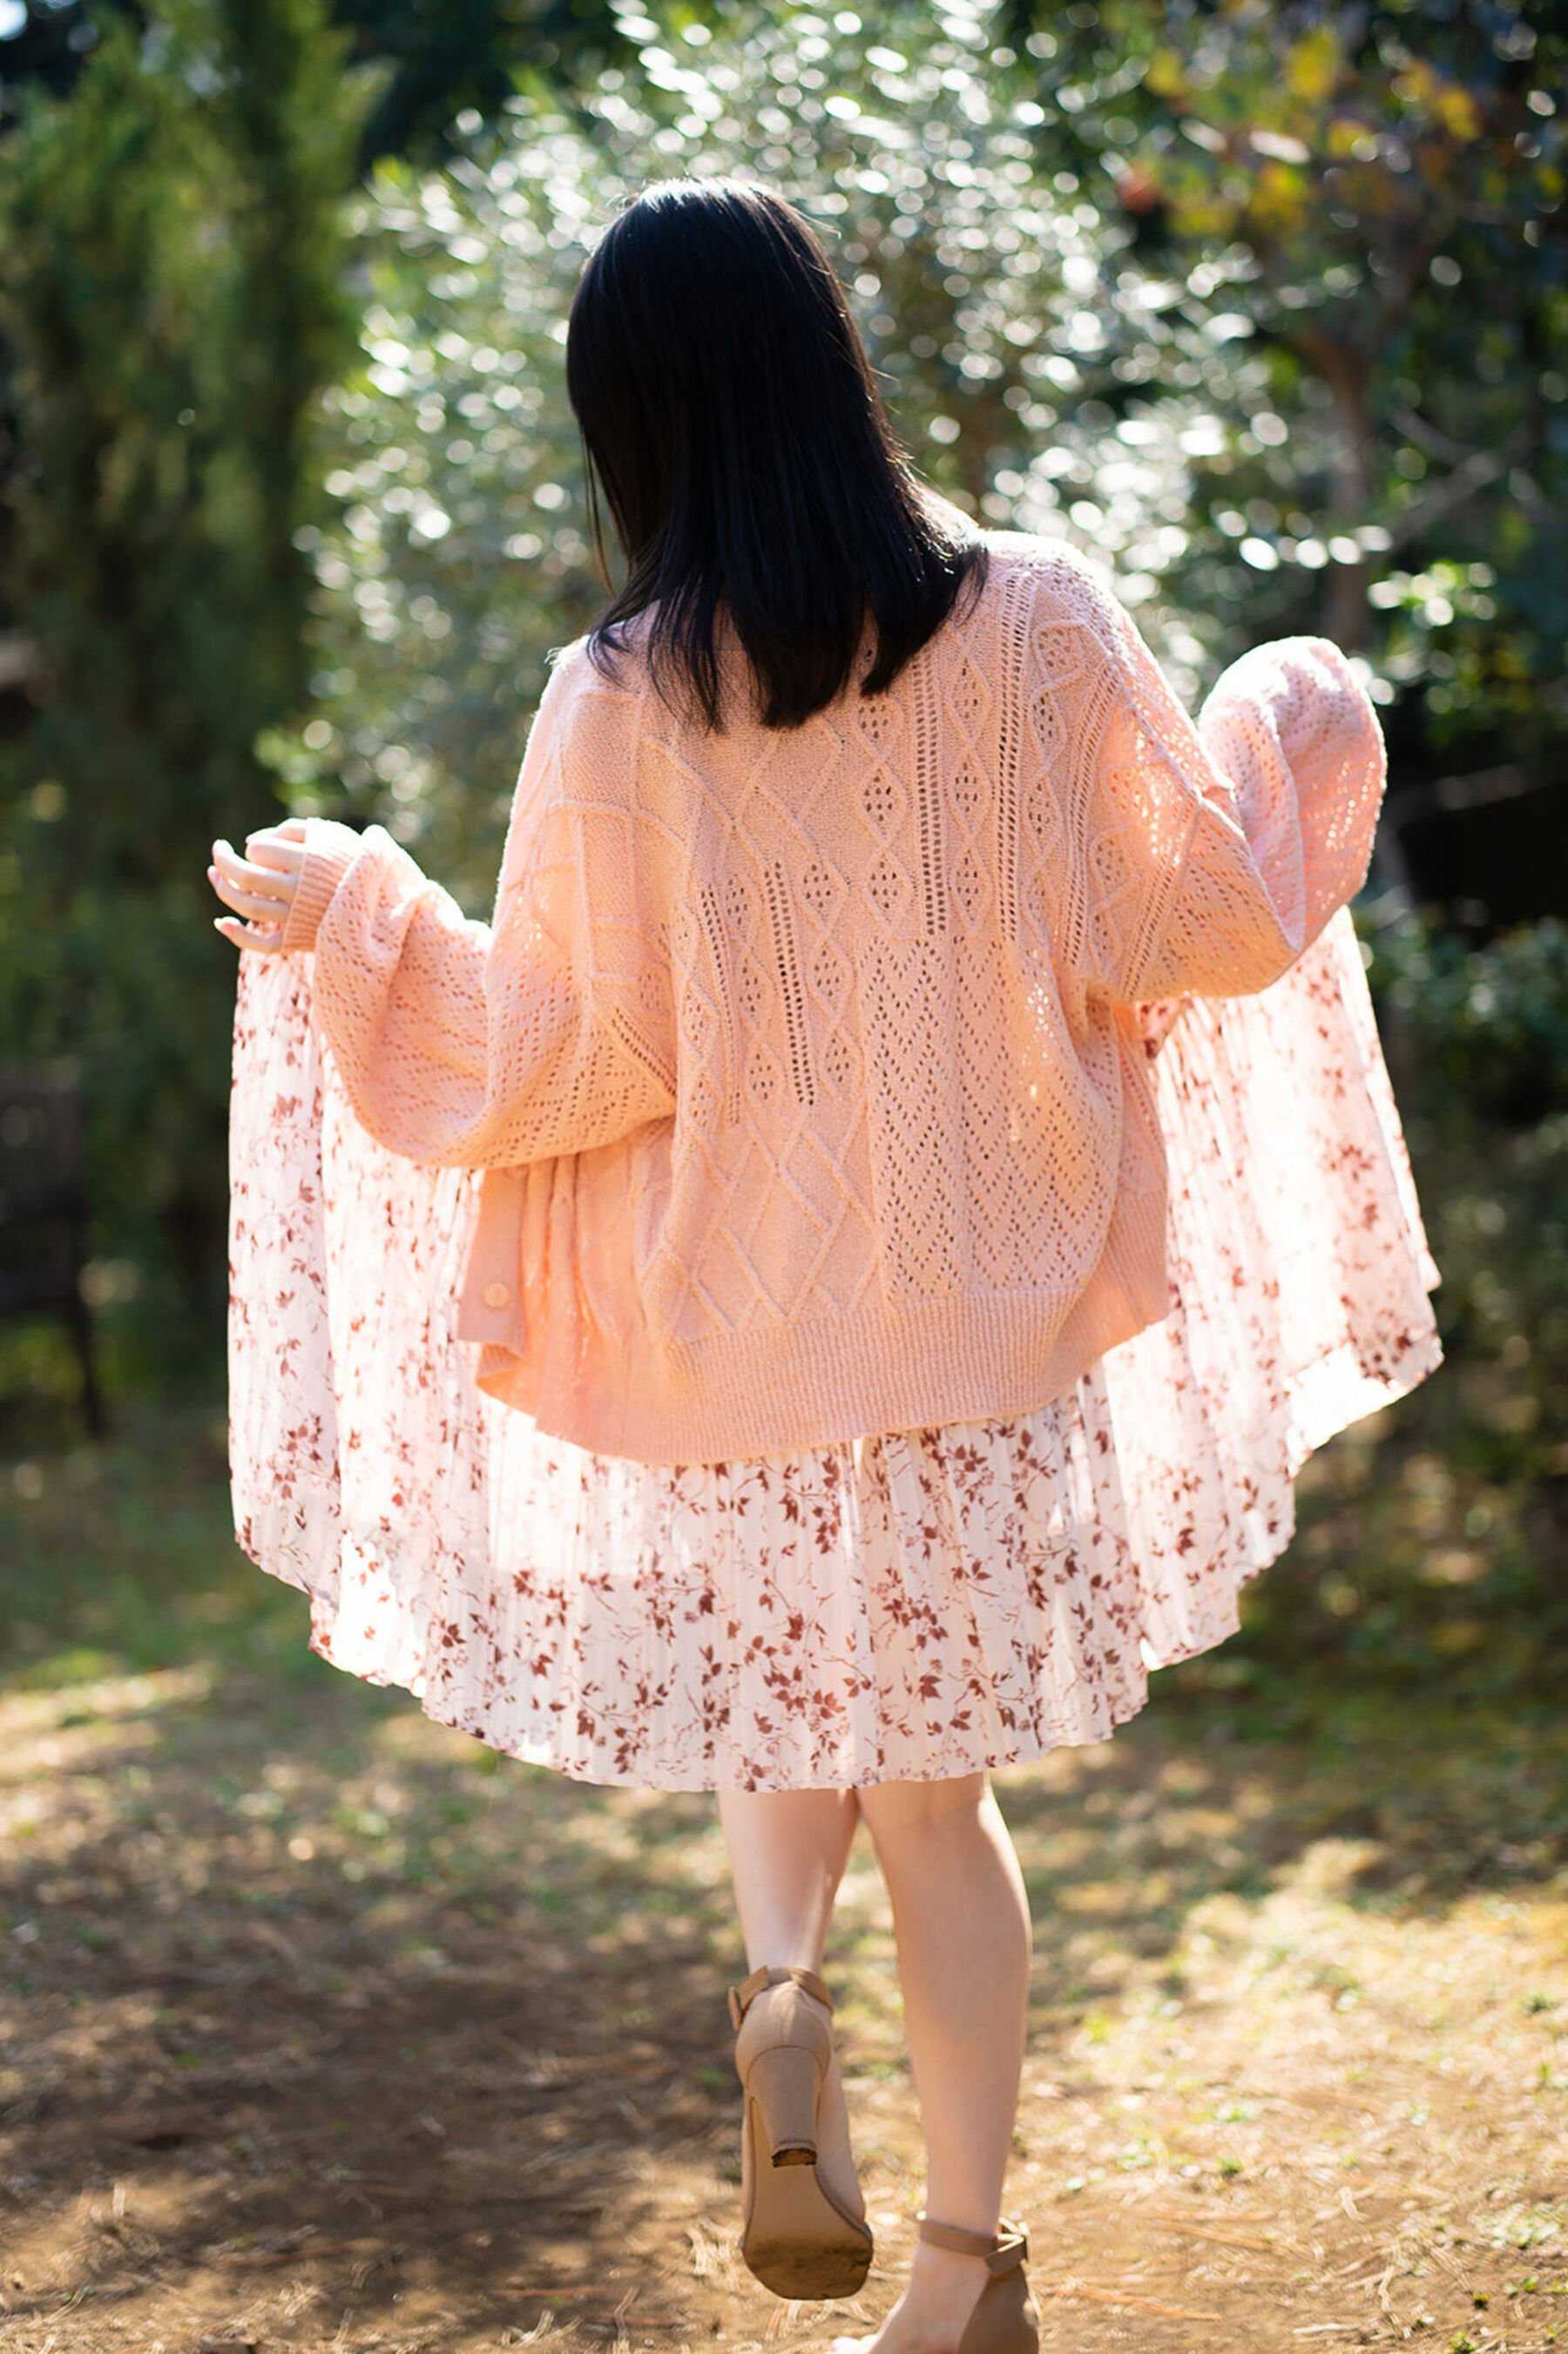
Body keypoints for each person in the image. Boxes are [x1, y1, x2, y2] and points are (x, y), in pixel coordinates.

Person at [208, 177, 1440, 2354]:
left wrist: (366, 922)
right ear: (824, 360)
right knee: (938, 1803)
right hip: (984, 1315)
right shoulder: (1039, 620)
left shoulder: (619, 699)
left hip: (736, 1324)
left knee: (782, 1704)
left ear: (636, 424)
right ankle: (962, 2275)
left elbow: (562, 1049)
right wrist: (1292, 721)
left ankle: (782, 1991)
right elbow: (1191, 923)